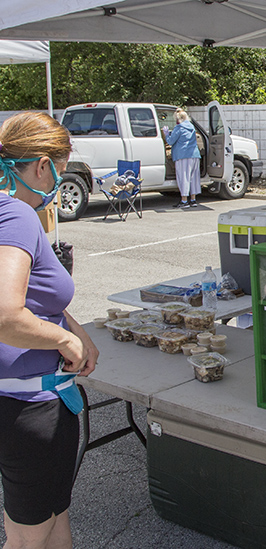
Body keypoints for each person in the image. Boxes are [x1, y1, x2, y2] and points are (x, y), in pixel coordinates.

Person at [0, 112, 99, 549]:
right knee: (26, 538)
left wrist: (74, 326)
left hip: (24, 401)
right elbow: (7, 314)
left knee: (52, 520)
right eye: (61, 167)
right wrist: (64, 339)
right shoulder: (18, 217)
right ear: (43, 166)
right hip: (28, 406)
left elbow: (36, 297)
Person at [162, 108, 201, 209]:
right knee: (194, 178)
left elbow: (170, 141)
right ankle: (193, 200)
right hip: (194, 155)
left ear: (178, 119)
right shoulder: (191, 127)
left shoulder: (179, 128)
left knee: (184, 177)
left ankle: (184, 201)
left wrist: (166, 134)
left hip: (182, 156)